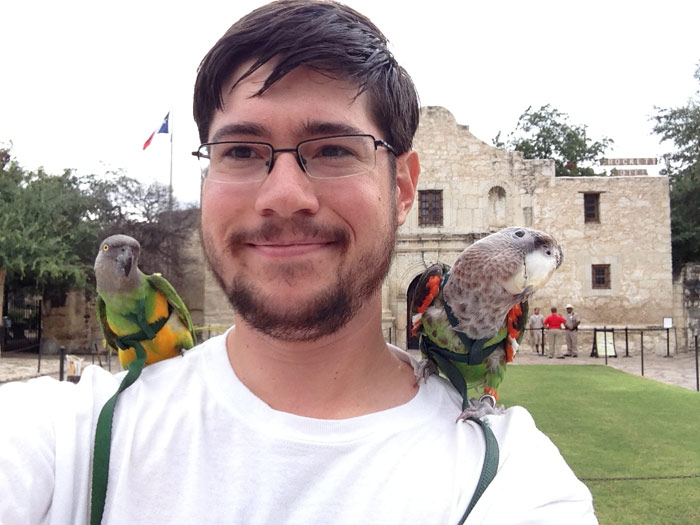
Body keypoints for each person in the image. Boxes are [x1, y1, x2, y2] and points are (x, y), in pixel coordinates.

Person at [0, 2, 596, 523]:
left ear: (405, 188)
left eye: (334, 148)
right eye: (240, 150)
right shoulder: (70, 435)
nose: (283, 194)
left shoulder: (511, 481)